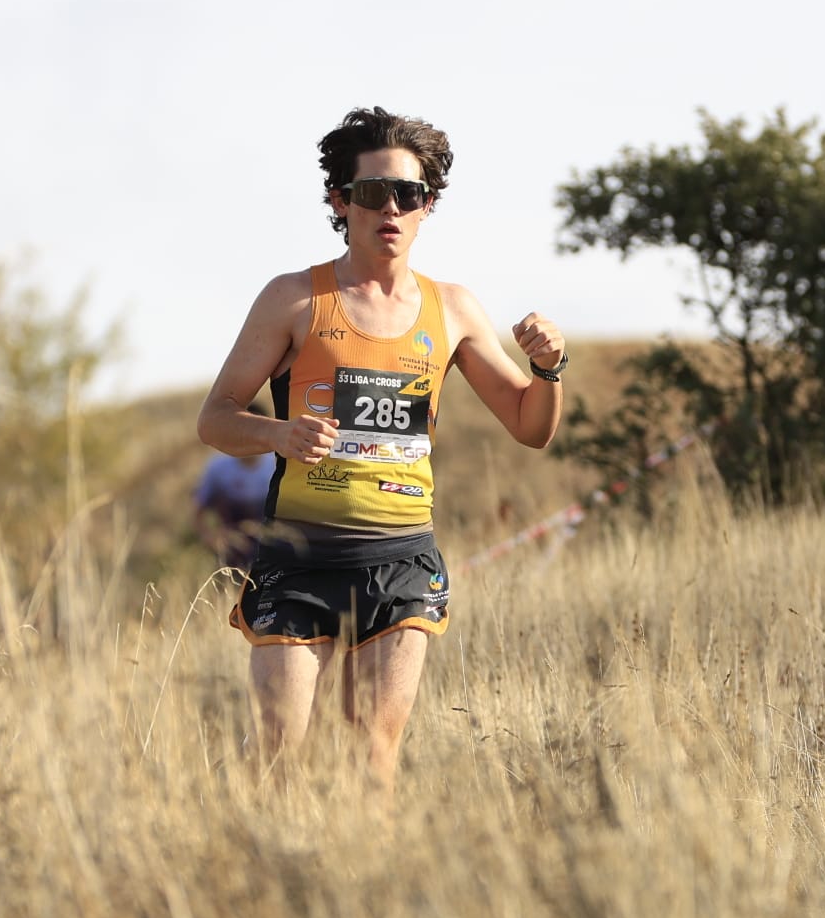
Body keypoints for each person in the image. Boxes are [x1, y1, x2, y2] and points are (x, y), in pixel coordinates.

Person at [197, 106, 566, 786]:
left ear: (428, 205)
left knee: (373, 755)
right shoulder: (293, 300)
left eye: (410, 194)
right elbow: (215, 419)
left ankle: (366, 882)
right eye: (372, 193)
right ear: (340, 200)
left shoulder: (452, 308)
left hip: (401, 558)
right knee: (282, 749)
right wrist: (279, 433)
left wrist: (546, 369)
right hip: (298, 557)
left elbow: (529, 424)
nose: (391, 208)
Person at [192, 400, 276, 569]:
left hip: (274, 554)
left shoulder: (278, 466)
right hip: (233, 558)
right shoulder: (218, 469)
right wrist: (210, 539)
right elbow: (198, 510)